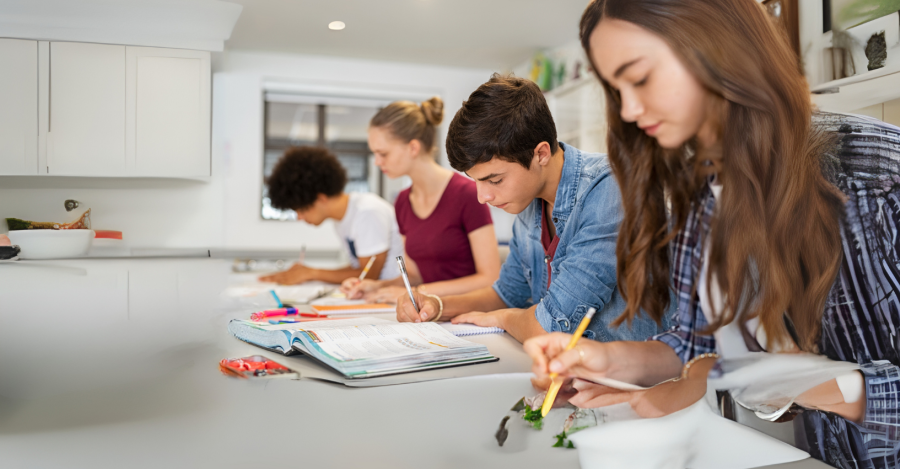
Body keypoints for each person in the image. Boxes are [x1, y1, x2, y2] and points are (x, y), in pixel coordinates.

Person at [524, 0, 900, 469]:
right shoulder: (696, 189)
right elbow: (693, 347)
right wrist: (606, 360)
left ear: (714, 48)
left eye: (641, 77)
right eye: (616, 90)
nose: (628, 110)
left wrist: (831, 387)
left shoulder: (880, 170)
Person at [395, 74, 669, 345]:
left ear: (541, 154)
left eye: (494, 179)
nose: (482, 196)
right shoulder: (529, 201)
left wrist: (505, 318)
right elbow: (507, 293)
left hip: (634, 380)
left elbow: (551, 327)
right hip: (570, 369)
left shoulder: (609, 188)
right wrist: (437, 305)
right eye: (476, 180)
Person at [340, 97, 501, 303]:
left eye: (383, 153)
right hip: (429, 314)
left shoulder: (468, 194)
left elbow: (489, 278)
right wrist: (377, 286)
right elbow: (415, 276)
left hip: (469, 313)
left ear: (413, 148)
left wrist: (419, 292)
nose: (378, 162)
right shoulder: (403, 202)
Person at [260, 146, 403, 285]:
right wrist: (308, 272)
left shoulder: (367, 211)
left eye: (301, 210)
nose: (299, 218)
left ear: (320, 198)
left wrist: (312, 273)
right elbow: (359, 268)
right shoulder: (342, 219)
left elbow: (369, 275)